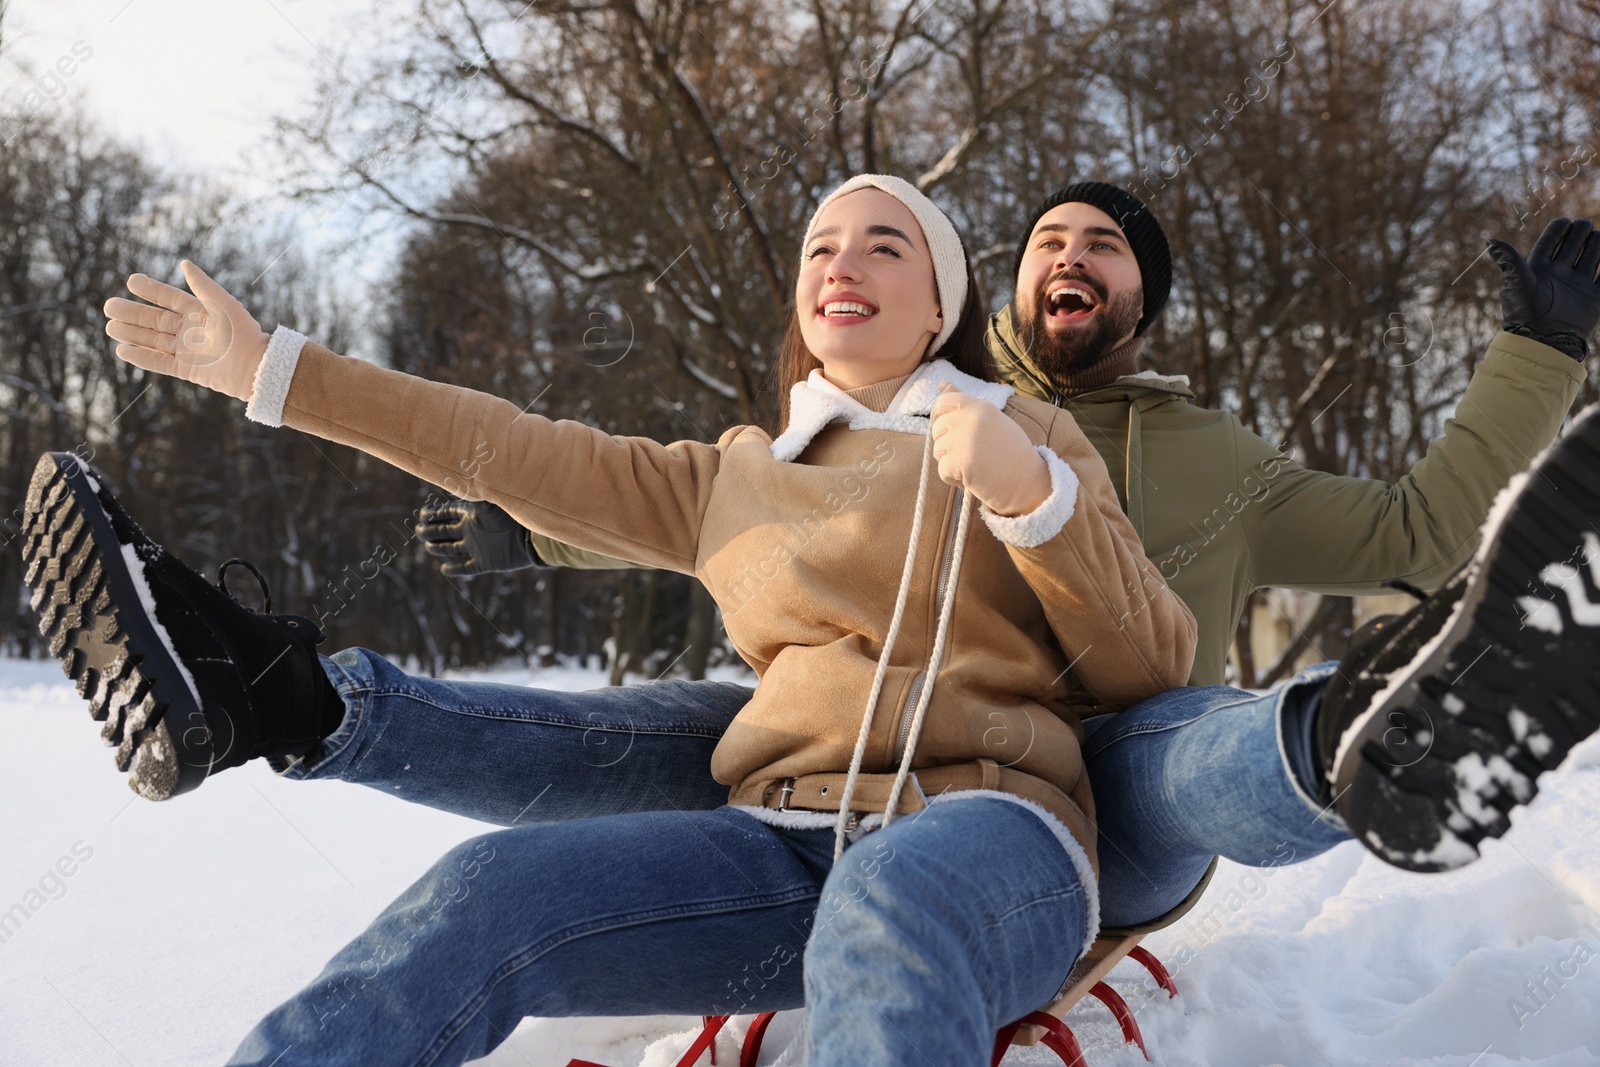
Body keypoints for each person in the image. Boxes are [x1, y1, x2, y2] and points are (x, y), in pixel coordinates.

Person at [27, 175, 1198, 1065]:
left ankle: (276, 688)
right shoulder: (735, 473)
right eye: (820, 245)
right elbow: (515, 448)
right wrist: (278, 371)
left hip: (988, 835)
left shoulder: (1028, 433)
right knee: (484, 891)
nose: (842, 261)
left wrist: (1026, 490)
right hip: (785, 844)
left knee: (884, 902)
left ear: (941, 298)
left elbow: (1153, 659)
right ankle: (276, 691)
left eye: (884, 244)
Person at [417, 186, 1600, 916]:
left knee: (1178, 738)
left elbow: (1417, 532)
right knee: (710, 709)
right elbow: (751, 507)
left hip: (1109, 783)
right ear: (1007, 280)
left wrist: (1539, 354)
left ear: (1144, 298)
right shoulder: (905, 397)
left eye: (1106, 244)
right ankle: (311, 704)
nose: (1071, 254)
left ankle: (1370, 732)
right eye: (1047, 237)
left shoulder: (1223, 463)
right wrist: (544, 534)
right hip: (882, 751)